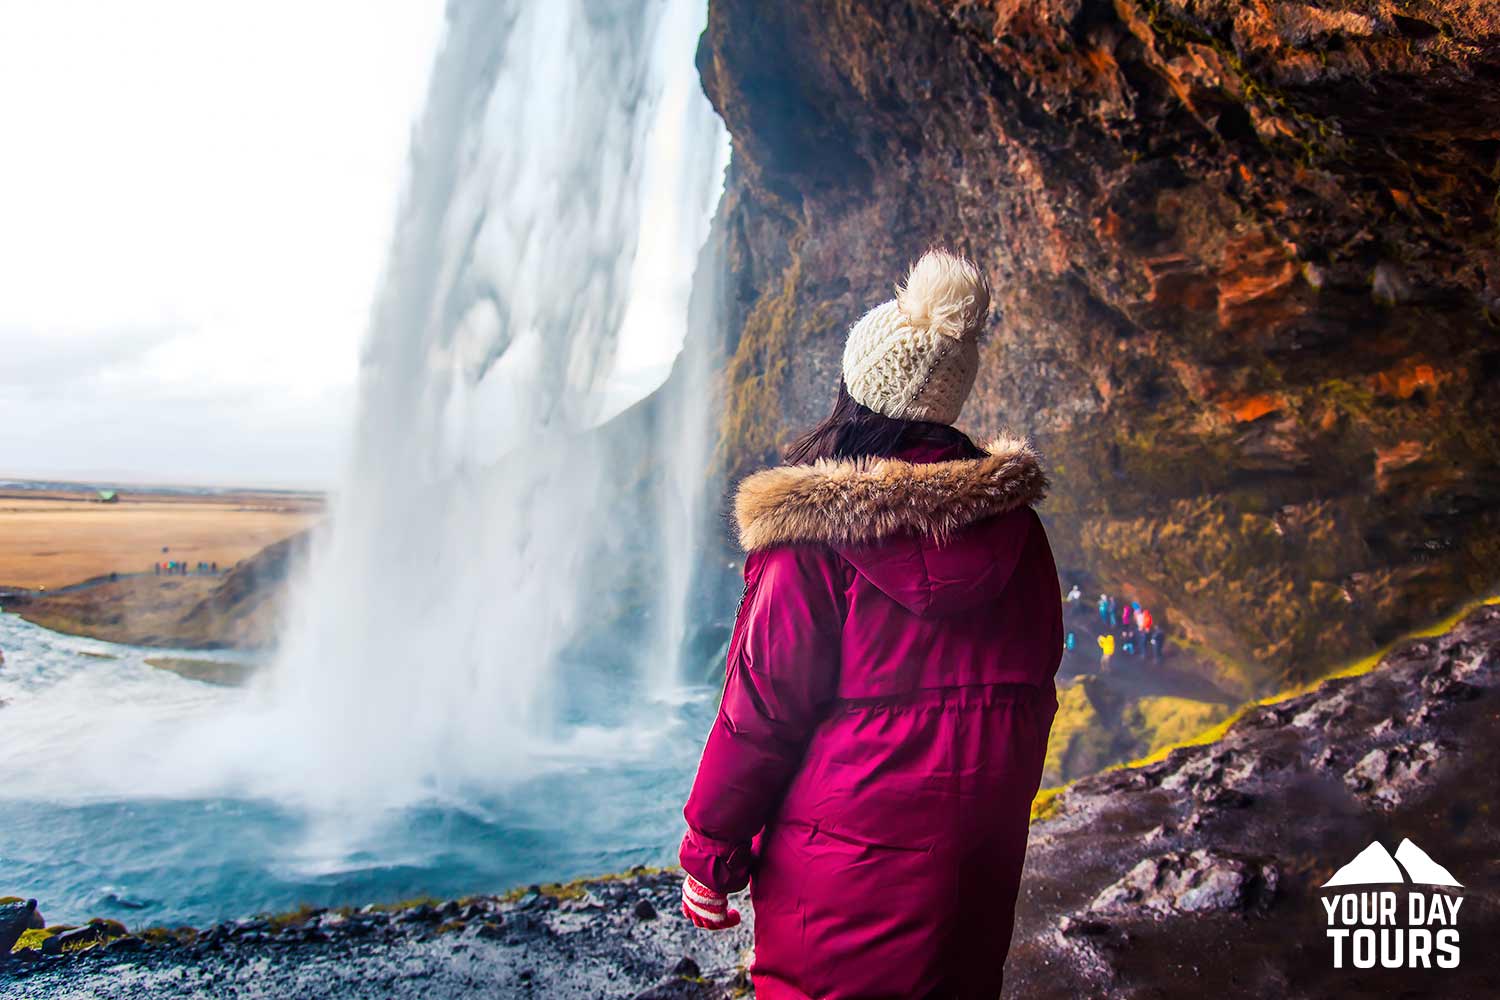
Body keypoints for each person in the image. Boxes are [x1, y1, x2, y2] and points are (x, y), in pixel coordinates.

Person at [678, 249, 1060, 999]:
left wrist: (710, 856)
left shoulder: (813, 543)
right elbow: (1034, 688)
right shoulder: (1021, 534)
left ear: (853, 393)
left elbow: (758, 718)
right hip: (975, 869)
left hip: (838, 881)